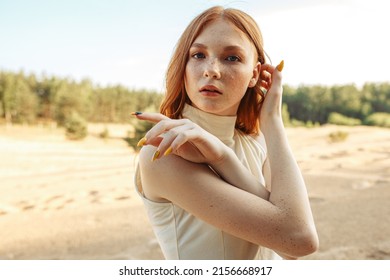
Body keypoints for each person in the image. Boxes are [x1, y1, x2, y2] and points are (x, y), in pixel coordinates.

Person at [132, 6, 319, 260]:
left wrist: (270, 124)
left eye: (232, 58)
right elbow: (299, 238)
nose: (212, 70)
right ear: (183, 65)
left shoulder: (258, 141)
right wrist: (223, 159)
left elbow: (288, 251)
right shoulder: (165, 151)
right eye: (198, 55)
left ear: (255, 74)